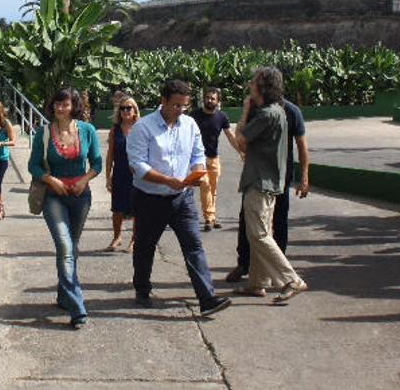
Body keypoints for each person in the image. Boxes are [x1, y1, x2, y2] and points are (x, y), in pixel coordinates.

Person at [127, 79, 232, 317]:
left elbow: (198, 154)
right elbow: (137, 166)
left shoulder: (190, 125)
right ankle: (142, 289)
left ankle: (207, 299)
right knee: (145, 247)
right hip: (149, 199)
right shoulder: (143, 128)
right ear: (163, 101)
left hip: (182, 198)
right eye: (176, 105)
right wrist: (166, 180)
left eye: (184, 106)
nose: (180, 110)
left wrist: (196, 172)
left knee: (194, 246)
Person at [28, 87, 102, 329]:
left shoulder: (87, 130)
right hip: (53, 197)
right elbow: (34, 166)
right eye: (57, 104)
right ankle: (77, 306)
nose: (61, 109)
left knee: (72, 246)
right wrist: (51, 180)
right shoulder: (43, 132)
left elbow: (98, 162)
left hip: (81, 196)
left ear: (74, 106)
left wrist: (84, 180)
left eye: (66, 105)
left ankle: (63, 294)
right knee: (64, 245)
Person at [232, 67, 308, 302]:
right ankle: (257, 283)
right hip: (270, 182)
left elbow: (240, 141)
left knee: (259, 234)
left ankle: (291, 279)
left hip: (260, 182)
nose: (249, 85)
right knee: (259, 233)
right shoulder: (278, 111)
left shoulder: (266, 114)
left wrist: (245, 111)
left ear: (262, 86)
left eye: (253, 82)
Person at [189, 87, 243, 232]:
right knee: (205, 185)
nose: (209, 100)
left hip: (214, 158)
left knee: (213, 188)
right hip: (198, 159)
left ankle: (212, 216)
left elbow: (230, 136)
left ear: (218, 101)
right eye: (207, 97)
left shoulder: (222, 117)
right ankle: (209, 218)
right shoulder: (194, 115)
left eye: (213, 98)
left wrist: (240, 151)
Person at [104, 95, 140, 252]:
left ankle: (134, 240)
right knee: (117, 209)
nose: (125, 111)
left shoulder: (141, 127)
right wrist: (108, 176)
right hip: (119, 172)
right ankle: (117, 237)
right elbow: (110, 154)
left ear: (135, 110)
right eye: (123, 108)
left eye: (129, 108)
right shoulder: (115, 129)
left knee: (136, 208)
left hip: (137, 173)